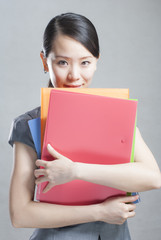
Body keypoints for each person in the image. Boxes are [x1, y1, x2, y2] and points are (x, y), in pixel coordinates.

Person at [8, 12, 161, 240]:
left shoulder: (117, 115)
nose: (74, 76)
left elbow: (152, 177)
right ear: (44, 61)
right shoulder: (28, 124)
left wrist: (75, 171)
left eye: (85, 62)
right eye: (62, 62)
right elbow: (20, 214)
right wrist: (100, 212)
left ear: (97, 61)